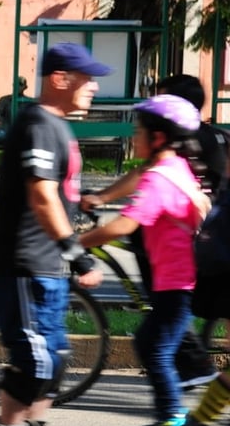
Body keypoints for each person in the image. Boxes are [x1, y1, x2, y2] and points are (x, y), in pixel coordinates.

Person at [0, 42, 107, 426]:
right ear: (60, 78)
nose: (94, 85)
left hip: (45, 268)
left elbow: (60, 191)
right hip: (24, 265)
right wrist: (76, 251)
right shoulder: (38, 124)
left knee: (53, 361)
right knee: (34, 360)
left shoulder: (57, 127)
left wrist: (88, 200)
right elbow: (41, 196)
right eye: (86, 76)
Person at [78, 94, 207, 426]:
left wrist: (76, 242)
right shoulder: (174, 166)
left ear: (160, 138)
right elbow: (137, 182)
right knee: (150, 342)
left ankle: (175, 424)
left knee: (158, 351)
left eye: (139, 131)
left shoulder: (159, 179)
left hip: (177, 285)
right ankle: (170, 419)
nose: (134, 137)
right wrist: (101, 196)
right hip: (179, 281)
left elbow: (124, 225)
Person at [80, 74, 221, 390]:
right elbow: (142, 174)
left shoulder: (183, 142)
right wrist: (102, 198)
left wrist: (77, 240)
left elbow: (142, 188)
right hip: (186, 243)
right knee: (157, 331)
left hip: (187, 249)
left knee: (161, 329)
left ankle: (189, 374)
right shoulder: (188, 139)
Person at [0, 76, 28, 174]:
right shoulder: (5, 100)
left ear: (25, 87)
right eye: (16, 84)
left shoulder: (27, 102)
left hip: (21, 132)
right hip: (5, 131)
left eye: (20, 85)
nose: (18, 87)